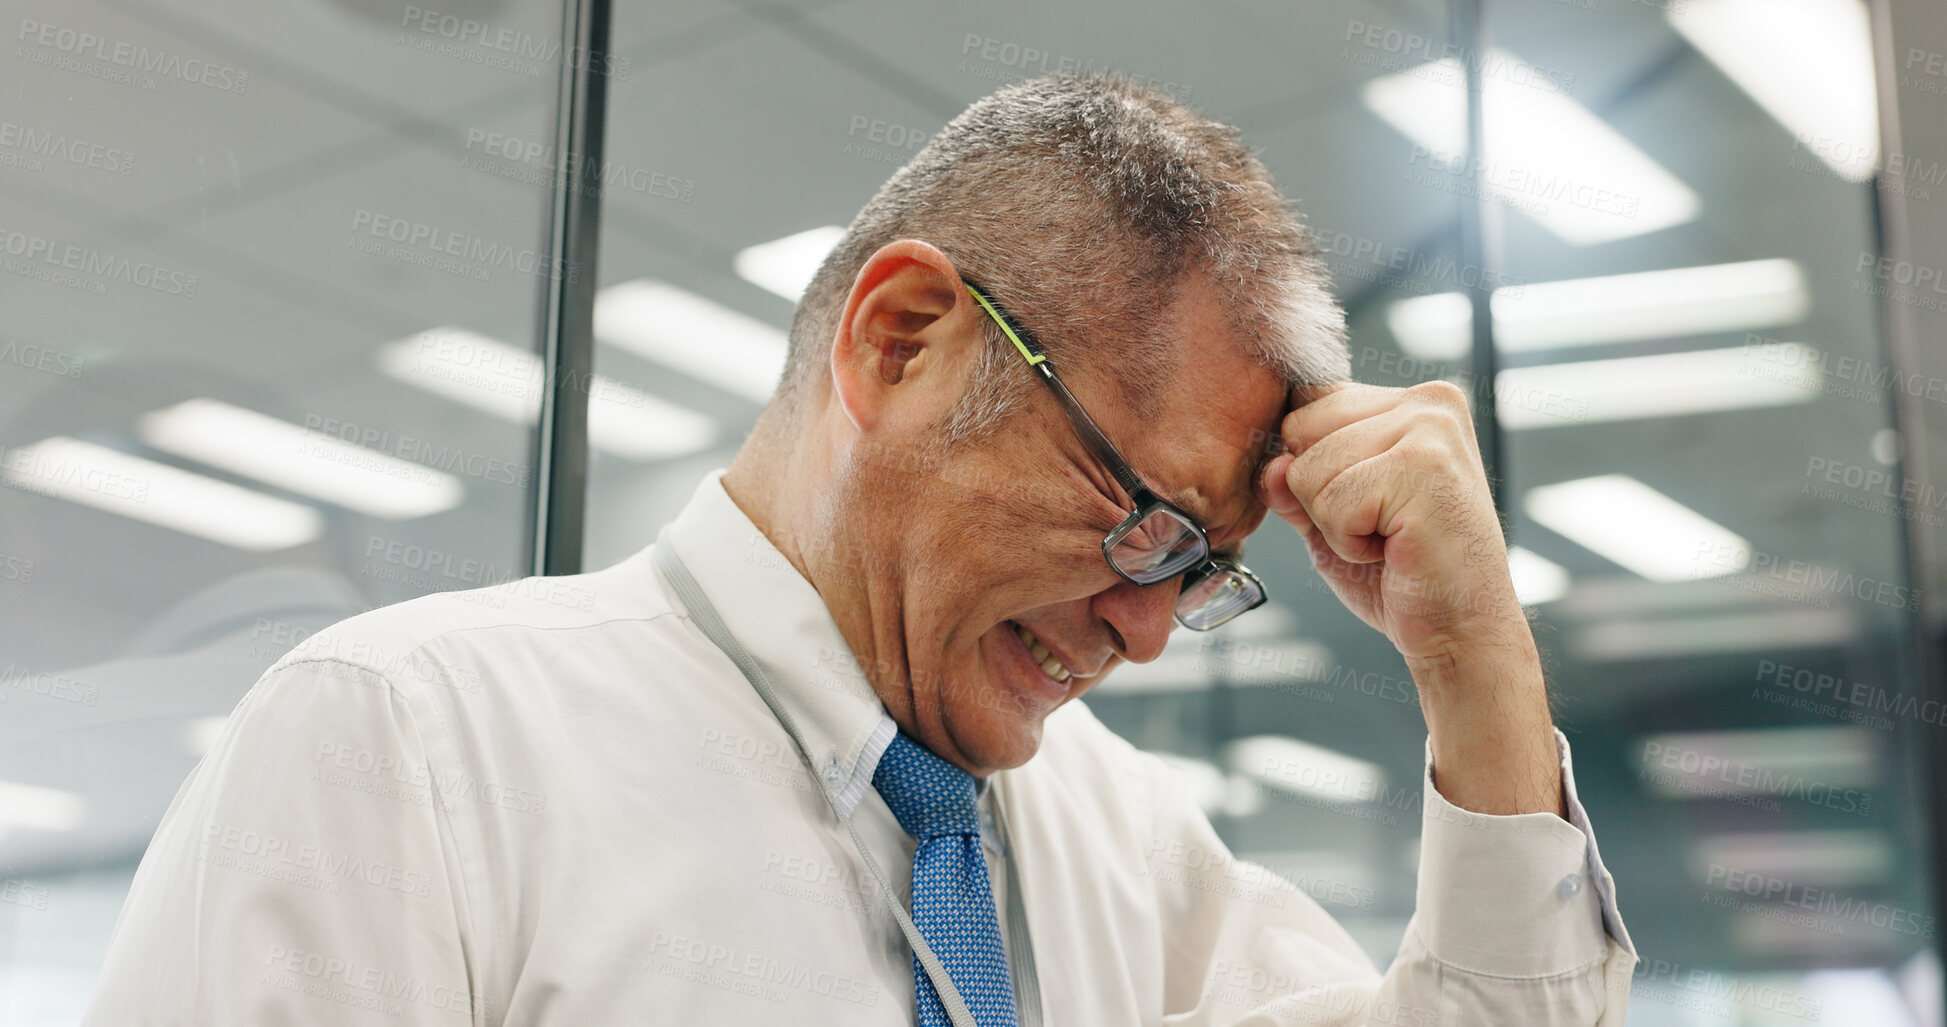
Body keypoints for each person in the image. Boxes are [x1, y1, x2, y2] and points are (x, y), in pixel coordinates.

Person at [83, 74, 1635, 1025]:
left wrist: (1473, 661)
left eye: (1200, 574)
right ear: (905, 344)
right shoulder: (411, 748)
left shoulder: (1126, 847)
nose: (1148, 633)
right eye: (1146, 525)